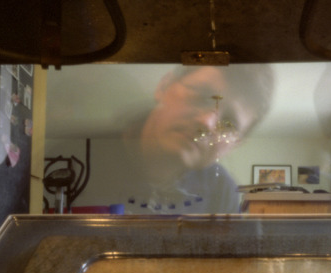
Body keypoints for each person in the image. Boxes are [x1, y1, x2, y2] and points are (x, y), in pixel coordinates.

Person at [109, 64, 274, 214]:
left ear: (236, 144)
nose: (207, 123)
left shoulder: (222, 190)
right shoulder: (87, 157)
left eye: (228, 123)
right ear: (164, 86)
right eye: (202, 97)